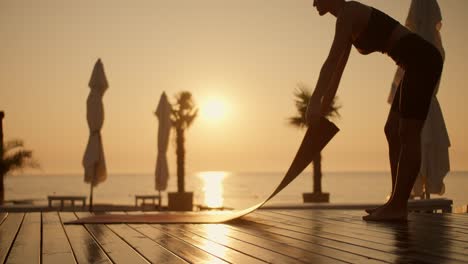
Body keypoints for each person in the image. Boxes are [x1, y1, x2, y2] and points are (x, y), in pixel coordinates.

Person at [306, 0, 443, 221]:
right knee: (391, 130)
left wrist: (313, 102)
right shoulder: (346, 20)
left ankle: (398, 206)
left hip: (422, 60)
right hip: (413, 64)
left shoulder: (348, 13)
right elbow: (336, 73)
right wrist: (322, 112)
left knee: (408, 133)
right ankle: (395, 202)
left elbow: (330, 62)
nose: (312, 2)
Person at [388, 0, 450, 200]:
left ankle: (400, 196)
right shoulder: (433, 48)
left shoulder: (424, 51)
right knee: (403, 134)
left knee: (404, 134)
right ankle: (403, 195)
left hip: (418, 99)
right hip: (421, 98)